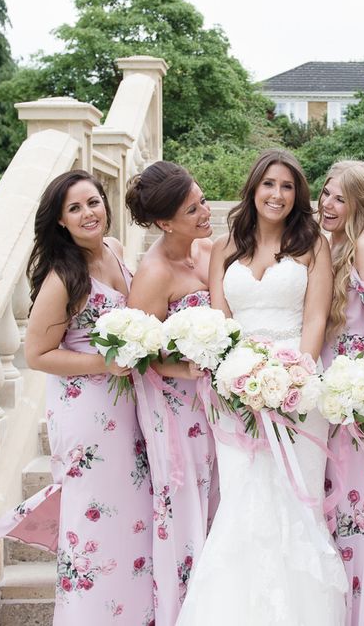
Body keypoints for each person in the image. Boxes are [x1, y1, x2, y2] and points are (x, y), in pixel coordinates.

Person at [176, 149, 347, 625]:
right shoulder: (226, 246)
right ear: (254, 188)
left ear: (298, 195)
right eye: (269, 184)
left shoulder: (313, 245)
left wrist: (296, 378)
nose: (278, 194)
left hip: (297, 388)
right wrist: (235, 376)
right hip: (234, 388)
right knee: (243, 500)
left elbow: (315, 315)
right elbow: (220, 319)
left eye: (288, 186)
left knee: (294, 500)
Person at [0, 170, 154, 623]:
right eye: (74, 208)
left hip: (128, 405)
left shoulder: (116, 251)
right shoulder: (64, 275)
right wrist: (105, 363)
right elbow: (36, 353)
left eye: (93, 202)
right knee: (96, 521)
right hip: (88, 415)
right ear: (61, 222)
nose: (88, 214)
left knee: (133, 514)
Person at [125, 161, 218, 625]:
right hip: (175, 408)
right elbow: (138, 356)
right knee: (184, 507)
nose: (205, 212)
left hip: (215, 404)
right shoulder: (153, 273)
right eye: (192, 209)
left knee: (218, 503)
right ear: (164, 223)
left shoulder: (204, 251)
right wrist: (190, 367)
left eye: (201, 200)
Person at [319, 159, 364, 626]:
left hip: (354, 392)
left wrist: (361, 389)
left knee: (353, 504)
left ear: (360, 206)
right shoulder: (329, 244)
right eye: (326, 193)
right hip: (323, 384)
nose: (327, 203)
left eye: (339, 198)